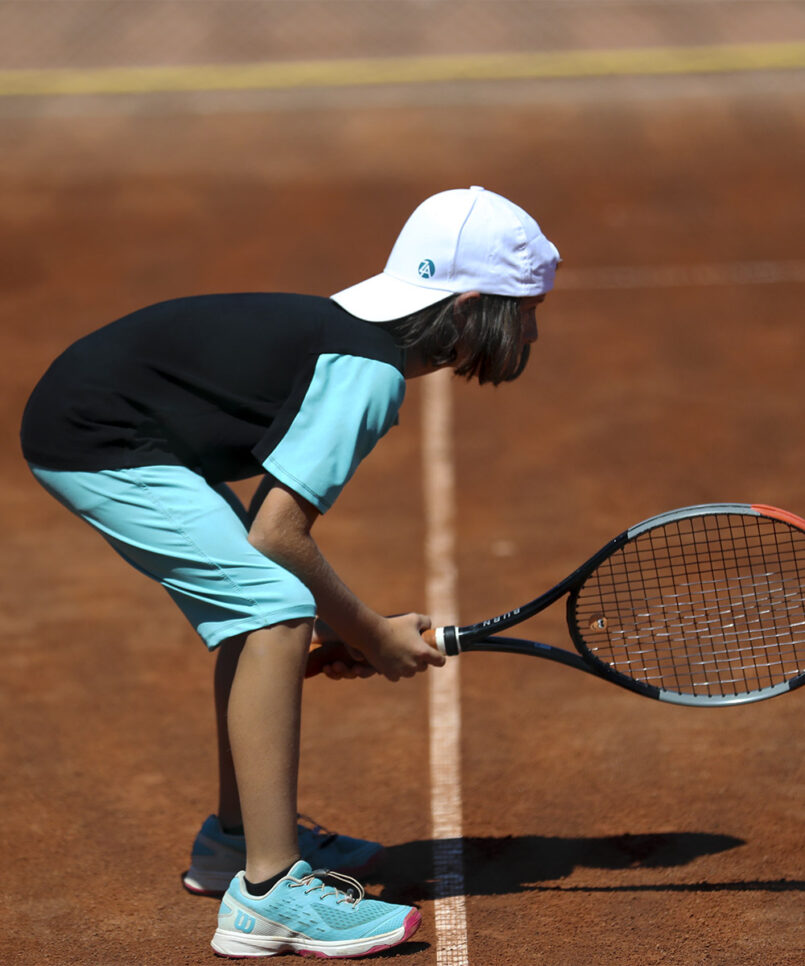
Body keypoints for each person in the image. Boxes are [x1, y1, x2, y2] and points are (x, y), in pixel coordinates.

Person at [20, 185, 559, 959]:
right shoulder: (368, 372)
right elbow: (279, 534)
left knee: (265, 612)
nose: (533, 329)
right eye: (527, 309)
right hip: (97, 437)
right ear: (474, 307)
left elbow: (271, 527)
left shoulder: (355, 339)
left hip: (108, 418)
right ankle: (268, 895)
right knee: (272, 607)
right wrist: (371, 633)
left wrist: (349, 630)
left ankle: (232, 844)